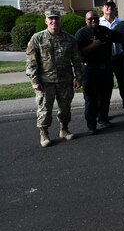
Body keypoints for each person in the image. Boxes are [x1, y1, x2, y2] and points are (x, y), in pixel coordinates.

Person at [26, 10, 83, 147]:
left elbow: (76, 60)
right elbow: (31, 62)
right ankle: (44, 133)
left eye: (56, 19)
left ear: (60, 21)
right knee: (45, 109)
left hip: (65, 80)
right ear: (46, 21)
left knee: (65, 107)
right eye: (50, 19)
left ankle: (64, 129)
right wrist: (34, 81)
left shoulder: (69, 39)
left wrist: (78, 77)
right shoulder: (37, 38)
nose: (53, 21)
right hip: (45, 81)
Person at [75, 10, 119, 134]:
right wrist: (94, 45)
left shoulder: (105, 31)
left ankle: (103, 118)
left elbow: (119, 37)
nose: (93, 20)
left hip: (105, 69)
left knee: (105, 96)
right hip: (89, 70)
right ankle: (91, 125)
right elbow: (78, 53)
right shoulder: (81, 33)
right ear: (86, 20)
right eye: (90, 19)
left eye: (95, 18)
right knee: (91, 99)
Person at [99, 0, 124, 114]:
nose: (109, 8)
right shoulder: (98, 23)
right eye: (107, 6)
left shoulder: (121, 23)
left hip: (119, 57)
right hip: (105, 59)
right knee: (105, 87)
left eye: (112, 6)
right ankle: (103, 113)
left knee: (123, 84)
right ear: (102, 8)